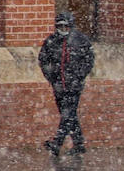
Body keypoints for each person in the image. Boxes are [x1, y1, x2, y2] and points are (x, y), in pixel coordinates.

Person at [39, 11, 95, 157]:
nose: (63, 30)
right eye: (60, 26)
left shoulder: (81, 40)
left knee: (67, 114)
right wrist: (51, 77)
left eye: (66, 26)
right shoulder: (51, 41)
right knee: (69, 115)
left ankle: (57, 143)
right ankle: (78, 143)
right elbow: (43, 60)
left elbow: (89, 60)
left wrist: (79, 76)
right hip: (59, 85)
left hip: (74, 85)